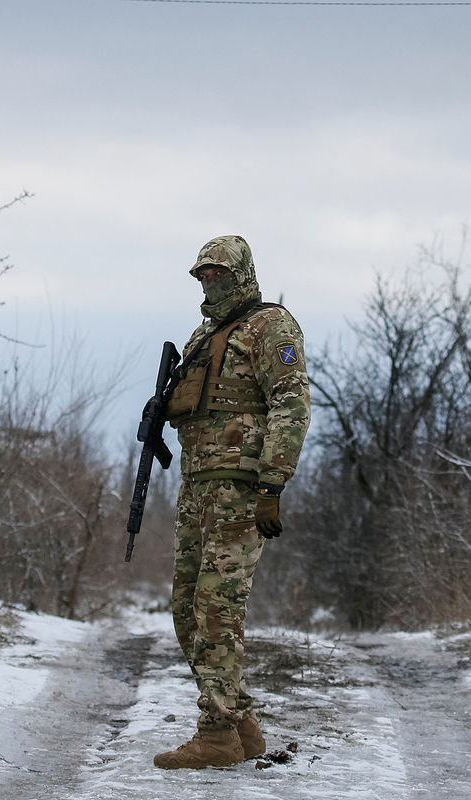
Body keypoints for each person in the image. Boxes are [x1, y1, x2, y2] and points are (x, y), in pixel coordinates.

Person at [153, 234, 311, 770]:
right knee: (184, 610)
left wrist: (272, 484)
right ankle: (241, 721)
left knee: (217, 608)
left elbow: (291, 405)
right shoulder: (204, 335)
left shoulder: (271, 326)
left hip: (241, 492)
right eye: (203, 274)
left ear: (241, 272)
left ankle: (216, 733)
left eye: (219, 272)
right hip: (197, 490)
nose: (210, 281)